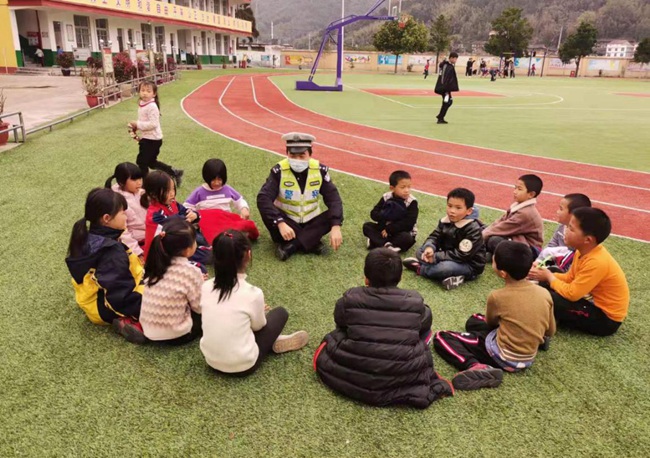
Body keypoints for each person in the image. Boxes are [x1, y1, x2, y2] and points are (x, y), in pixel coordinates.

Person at [313, 248, 454, 408]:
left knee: (338, 333)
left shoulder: (349, 299)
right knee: (423, 332)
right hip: (402, 373)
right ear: (400, 278)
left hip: (354, 370)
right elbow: (425, 323)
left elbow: (340, 323)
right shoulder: (415, 302)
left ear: (366, 279)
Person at [434, 241, 555, 391]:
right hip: (529, 356)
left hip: (502, 355)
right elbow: (550, 331)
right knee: (474, 320)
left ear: (503, 273)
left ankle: (475, 366)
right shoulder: (545, 294)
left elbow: (490, 323)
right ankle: (533, 336)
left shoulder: (497, 296)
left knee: (441, 337)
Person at [200, 231, 309, 376]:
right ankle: (273, 342)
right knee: (280, 313)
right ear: (248, 255)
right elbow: (259, 326)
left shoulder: (205, 287)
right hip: (243, 366)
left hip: (211, 361)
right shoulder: (253, 293)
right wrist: (258, 312)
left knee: (237, 322)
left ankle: (271, 341)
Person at [528, 208, 629, 336]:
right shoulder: (582, 251)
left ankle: (545, 320)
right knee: (552, 271)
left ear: (587, 240)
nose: (565, 230)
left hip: (605, 319)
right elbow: (570, 278)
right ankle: (552, 314)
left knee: (548, 297)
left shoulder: (597, 261)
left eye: (571, 229)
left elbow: (572, 294)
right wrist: (546, 275)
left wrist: (548, 277)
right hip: (589, 301)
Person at [65, 188, 145, 343]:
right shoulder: (111, 253)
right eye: (122, 212)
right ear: (107, 218)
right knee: (159, 297)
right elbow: (119, 298)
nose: (126, 216)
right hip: (104, 307)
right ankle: (129, 321)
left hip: (91, 299)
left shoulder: (91, 235)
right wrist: (148, 307)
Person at [257, 132, 343, 261]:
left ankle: (292, 246)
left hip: (311, 221)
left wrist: (336, 226)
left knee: (333, 213)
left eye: (302, 155)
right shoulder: (278, 171)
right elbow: (263, 198)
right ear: (287, 154)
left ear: (310, 154)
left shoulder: (320, 170)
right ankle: (311, 242)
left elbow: (334, 198)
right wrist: (280, 223)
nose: (297, 160)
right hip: (286, 224)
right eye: (293, 155)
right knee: (267, 210)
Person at [403, 188, 486, 290]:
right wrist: (430, 248)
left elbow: (462, 255)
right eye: (449, 206)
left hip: (468, 264)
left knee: (444, 268)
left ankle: (420, 268)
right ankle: (453, 276)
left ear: (468, 211)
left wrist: (436, 257)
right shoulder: (445, 221)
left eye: (458, 208)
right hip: (447, 254)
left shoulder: (473, 229)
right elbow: (434, 236)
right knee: (421, 251)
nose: (452, 211)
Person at [140, 219, 204, 344]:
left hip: (148, 329)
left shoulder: (154, 264)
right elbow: (199, 307)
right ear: (187, 250)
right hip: (176, 335)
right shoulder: (190, 271)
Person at [141, 171, 211, 271]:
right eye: (167, 191)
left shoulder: (172, 203)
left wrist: (195, 215)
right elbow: (174, 224)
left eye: (173, 189)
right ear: (154, 194)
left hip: (177, 245)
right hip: (164, 257)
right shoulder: (154, 215)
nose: (172, 193)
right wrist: (186, 219)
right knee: (201, 267)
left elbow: (186, 212)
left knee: (201, 238)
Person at [184, 158, 259, 241]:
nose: (217, 183)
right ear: (207, 177)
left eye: (219, 179)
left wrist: (244, 208)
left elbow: (240, 200)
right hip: (208, 222)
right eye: (213, 179)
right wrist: (193, 214)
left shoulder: (227, 189)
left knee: (248, 225)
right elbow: (187, 206)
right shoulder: (199, 192)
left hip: (225, 219)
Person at [128, 81, 183, 185]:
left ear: (154, 94)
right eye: (142, 90)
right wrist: (136, 127)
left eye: (148, 91)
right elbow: (145, 121)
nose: (144, 93)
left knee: (142, 162)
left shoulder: (152, 106)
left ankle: (145, 184)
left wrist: (137, 124)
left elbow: (153, 124)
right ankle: (174, 172)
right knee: (151, 163)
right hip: (148, 138)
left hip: (153, 139)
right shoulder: (142, 103)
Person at [482, 174, 544, 258]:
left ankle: (491, 253)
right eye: (515, 188)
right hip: (517, 240)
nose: (515, 191)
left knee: (494, 240)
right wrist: (484, 231)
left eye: (519, 189)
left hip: (528, 252)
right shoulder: (519, 205)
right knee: (484, 229)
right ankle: (492, 253)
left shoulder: (525, 213)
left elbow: (502, 228)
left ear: (531, 194)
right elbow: (500, 221)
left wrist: (479, 237)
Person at [362, 170, 418, 253]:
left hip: (401, 231)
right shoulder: (386, 197)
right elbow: (373, 214)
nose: (407, 190)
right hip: (383, 230)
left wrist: (390, 229)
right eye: (403, 187)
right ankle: (389, 246)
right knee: (367, 226)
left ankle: (377, 243)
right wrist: (384, 214)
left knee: (407, 238)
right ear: (392, 188)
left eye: (409, 187)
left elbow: (409, 223)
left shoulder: (412, 202)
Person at [536, 193, 592, 272]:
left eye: (561, 209)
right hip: (555, 263)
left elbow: (571, 258)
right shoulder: (562, 227)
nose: (557, 211)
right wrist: (540, 262)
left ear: (573, 214)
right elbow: (551, 245)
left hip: (566, 269)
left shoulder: (580, 236)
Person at [105, 162, 146, 262]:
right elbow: (123, 233)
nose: (139, 182)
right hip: (138, 242)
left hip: (153, 233)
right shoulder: (117, 202)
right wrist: (138, 253)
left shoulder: (141, 192)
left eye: (140, 178)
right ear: (121, 182)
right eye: (134, 179)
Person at [434, 52, 459, 124]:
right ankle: (440, 117)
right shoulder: (447, 66)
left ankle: (440, 116)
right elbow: (444, 78)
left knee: (447, 102)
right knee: (448, 102)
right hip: (445, 89)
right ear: (451, 58)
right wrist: (446, 89)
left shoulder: (448, 65)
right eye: (455, 59)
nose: (455, 60)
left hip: (446, 89)